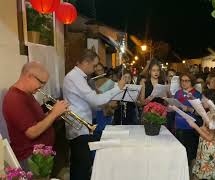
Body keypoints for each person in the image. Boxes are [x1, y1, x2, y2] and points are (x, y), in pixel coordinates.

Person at [63, 49, 125, 180]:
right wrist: (117, 88)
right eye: (94, 65)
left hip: (83, 127)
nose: (95, 68)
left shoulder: (80, 77)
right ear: (85, 62)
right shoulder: (75, 77)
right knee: (81, 169)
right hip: (79, 129)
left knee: (82, 167)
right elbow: (95, 100)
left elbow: (92, 102)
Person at [2, 61, 69, 171]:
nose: (41, 87)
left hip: (40, 156)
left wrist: (54, 115)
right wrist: (54, 114)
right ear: (29, 76)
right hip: (29, 159)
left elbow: (37, 120)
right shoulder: (14, 98)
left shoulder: (27, 94)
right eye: (41, 82)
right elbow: (31, 132)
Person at [190, 89, 215, 180]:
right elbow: (205, 130)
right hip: (205, 148)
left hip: (211, 151)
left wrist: (195, 127)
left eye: (203, 98)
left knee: (208, 175)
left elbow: (210, 137)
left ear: (211, 101)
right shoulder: (209, 112)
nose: (201, 101)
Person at [174, 73, 202, 165]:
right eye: (182, 80)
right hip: (178, 126)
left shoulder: (197, 94)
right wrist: (171, 107)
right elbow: (175, 106)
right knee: (180, 155)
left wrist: (189, 109)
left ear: (192, 82)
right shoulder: (178, 93)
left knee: (191, 155)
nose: (184, 83)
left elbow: (201, 113)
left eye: (187, 81)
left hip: (191, 128)